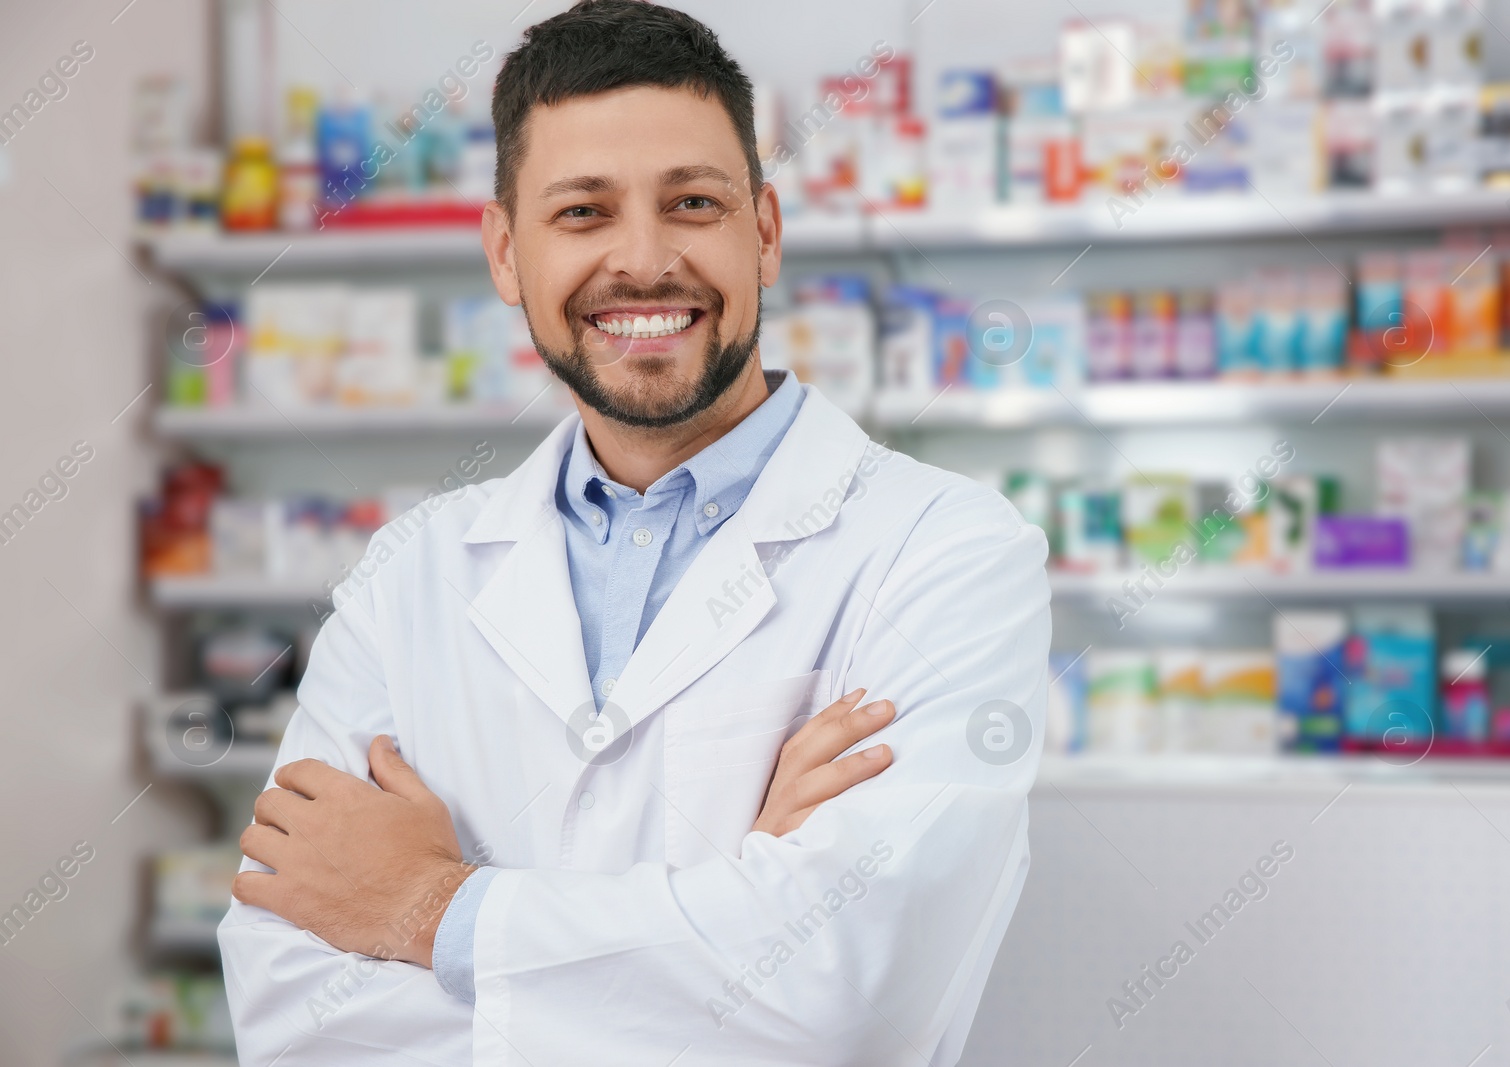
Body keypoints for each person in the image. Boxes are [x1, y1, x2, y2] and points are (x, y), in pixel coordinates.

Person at [218, 2, 1051, 1063]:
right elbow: (292, 1010)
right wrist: (741, 901)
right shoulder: (405, 577)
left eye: (693, 202)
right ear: (505, 253)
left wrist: (428, 908)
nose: (644, 260)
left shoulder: (947, 550)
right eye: (582, 213)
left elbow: (851, 992)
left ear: (764, 231)